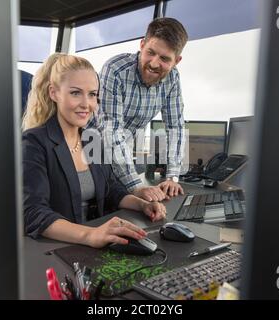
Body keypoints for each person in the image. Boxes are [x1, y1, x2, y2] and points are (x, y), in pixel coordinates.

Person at [22, 53, 166, 248]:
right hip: (58, 247)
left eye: (92, 95)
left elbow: (111, 190)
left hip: (96, 242)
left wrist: (142, 205)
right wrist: (90, 235)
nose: (86, 104)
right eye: (75, 93)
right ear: (53, 93)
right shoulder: (33, 142)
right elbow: (34, 213)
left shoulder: (91, 139)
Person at [88, 17, 189, 202]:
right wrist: (136, 186)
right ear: (142, 45)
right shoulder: (116, 70)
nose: (154, 63)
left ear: (177, 61)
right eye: (150, 52)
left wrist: (172, 176)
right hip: (90, 151)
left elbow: (176, 127)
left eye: (165, 59)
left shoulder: (172, 78)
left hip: (121, 155)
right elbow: (111, 131)